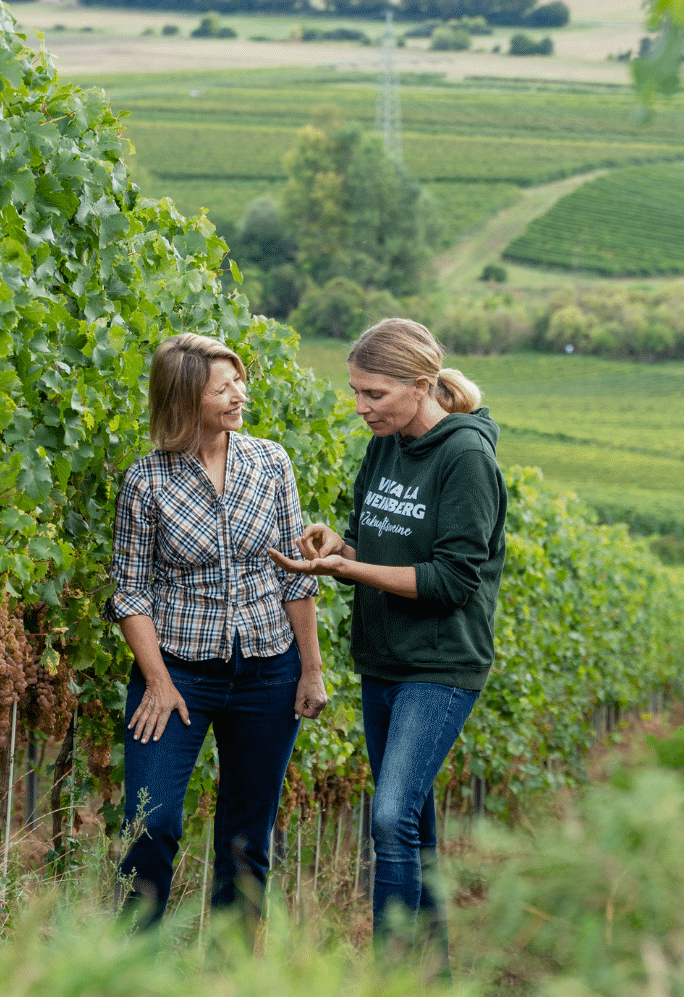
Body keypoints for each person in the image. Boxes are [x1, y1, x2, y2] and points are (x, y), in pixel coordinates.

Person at [268, 318, 506, 966]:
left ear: (421, 385)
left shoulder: (466, 458)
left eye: (374, 393)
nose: (360, 407)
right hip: (382, 660)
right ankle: (431, 974)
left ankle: (390, 972)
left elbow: (452, 581)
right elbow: (372, 546)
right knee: (412, 826)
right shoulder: (385, 445)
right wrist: (338, 547)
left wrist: (347, 570)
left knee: (390, 816)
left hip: (440, 664)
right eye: (355, 390)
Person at [106, 333, 330, 928]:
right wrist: (158, 682)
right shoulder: (147, 481)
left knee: (247, 837)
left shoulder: (271, 463)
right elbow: (130, 591)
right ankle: (130, 965)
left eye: (239, 382)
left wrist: (310, 670)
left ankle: (234, 968)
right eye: (223, 388)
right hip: (177, 673)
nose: (239, 395)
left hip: (268, 673)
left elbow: (295, 576)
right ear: (185, 399)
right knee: (150, 823)